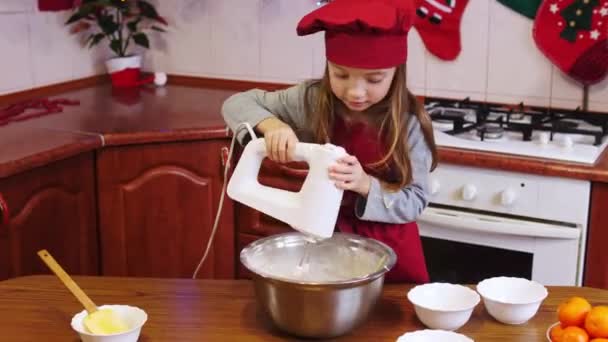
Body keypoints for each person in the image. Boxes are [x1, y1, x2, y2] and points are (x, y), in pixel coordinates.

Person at [222, 0, 438, 284]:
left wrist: (364, 184)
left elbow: (416, 201)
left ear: (396, 73)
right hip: (325, 241)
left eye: (374, 79)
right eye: (341, 74)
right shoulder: (311, 100)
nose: (355, 91)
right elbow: (237, 103)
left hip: (390, 255)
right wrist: (273, 126)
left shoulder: (408, 122)